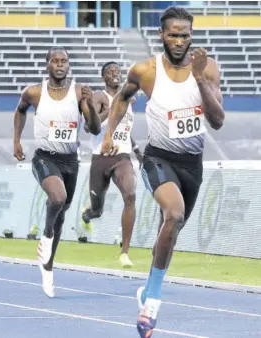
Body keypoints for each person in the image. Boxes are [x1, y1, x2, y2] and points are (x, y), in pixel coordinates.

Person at [100, 7, 225, 337]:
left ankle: (146, 288)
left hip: (192, 166)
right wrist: (110, 134)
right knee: (174, 212)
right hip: (158, 158)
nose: (180, 41)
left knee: (167, 236)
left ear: (192, 35)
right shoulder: (146, 71)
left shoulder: (208, 67)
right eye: (173, 34)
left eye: (185, 35)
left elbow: (217, 120)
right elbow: (122, 99)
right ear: (161, 35)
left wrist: (199, 78)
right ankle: (153, 300)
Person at [13, 46, 101, 298]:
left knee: (61, 215)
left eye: (64, 61)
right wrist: (16, 140)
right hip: (44, 158)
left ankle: (48, 268)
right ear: (47, 65)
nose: (60, 65)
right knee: (57, 198)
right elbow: (20, 110)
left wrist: (91, 104)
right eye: (55, 61)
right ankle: (46, 235)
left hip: (70, 161)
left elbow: (94, 129)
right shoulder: (34, 93)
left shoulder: (78, 92)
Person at [82, 61, 143, 268]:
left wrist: (137, 151)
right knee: (97, 210)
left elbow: (124, 130)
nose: (114, 74)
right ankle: (88, 213)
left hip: (122, 156)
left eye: (117, 71)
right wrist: (113, 109)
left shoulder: (126, 99)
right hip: (101, 156)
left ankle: (124, 252)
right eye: (110, 71)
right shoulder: (100, 97)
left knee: (130, 194)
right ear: (103, 77)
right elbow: (92, 128)